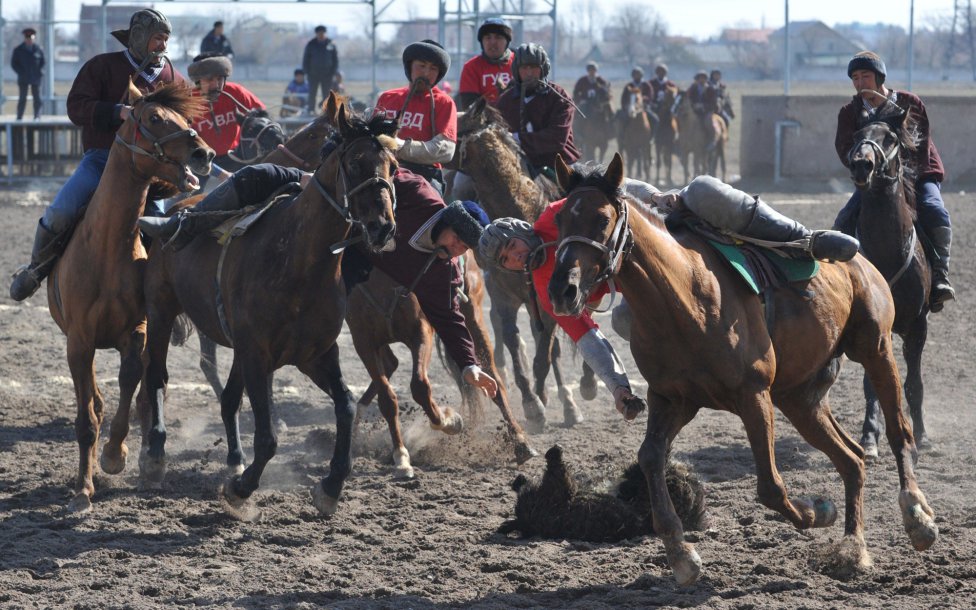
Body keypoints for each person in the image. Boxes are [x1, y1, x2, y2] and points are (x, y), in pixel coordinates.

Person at [137, 163, 500, 397]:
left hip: (353, 257)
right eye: (459, 242)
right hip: (335, 199)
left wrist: (469, 364)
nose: (457, 252)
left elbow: (449, 318)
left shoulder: (438, 268)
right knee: (257, 177)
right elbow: (380, 173)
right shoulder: (418, 193)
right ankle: (181, 224)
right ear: (448, 224)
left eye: (464, 249)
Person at [9, 8, 185, 302]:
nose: (163, 46)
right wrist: (117, 112)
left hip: (150, 171)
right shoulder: (102, 66)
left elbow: (184, 126)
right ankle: (36, 270)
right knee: (60, 212)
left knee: (166, 228)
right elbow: (76, 107)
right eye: (157, 38)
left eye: (166, 39)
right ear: (139, 38)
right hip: (101, 160)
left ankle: (167, 298)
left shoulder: (174, 79)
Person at [478, 200, 646, 421]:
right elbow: (586, 336)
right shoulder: (545, 289)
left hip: (645, 241)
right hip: (636, 287)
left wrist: (653, 197)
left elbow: (604, 193)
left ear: (522, 231)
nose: (515, 257)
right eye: (505, 260)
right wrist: (618, 388)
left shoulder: (551, 217)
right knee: (622, 320)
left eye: (512, 246)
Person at [833, 50, 955, 311]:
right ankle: (842, 284)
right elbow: (844, 148)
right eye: (854, 77)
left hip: (918, 173)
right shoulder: (849, 112)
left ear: (879, 77)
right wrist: (861, 168)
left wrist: (902, 179)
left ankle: (940, 276)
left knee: (935, 210)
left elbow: (920, 146)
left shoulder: (909, 103)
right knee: (843, 220)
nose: (859, 82)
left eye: (865, 75)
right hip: (874, 182)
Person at [372, 39, 456, 193]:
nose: (426, 73)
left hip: (424, 176)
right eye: (421, 66)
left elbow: (445, 150)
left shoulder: (444, 102)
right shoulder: (388, 97)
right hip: (381, 170)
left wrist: (400, 146)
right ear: (409, 66)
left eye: (433, 68)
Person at [494, 43, 580, 178]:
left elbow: (556, 139)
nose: (529, 73)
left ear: (543, 69)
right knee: (463, 187)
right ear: (517, 70)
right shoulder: (505, 101)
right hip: (515, 166)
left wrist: (517, 138)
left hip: (559, 166)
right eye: (524, 68)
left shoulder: (559, 97)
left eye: (534, 68)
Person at [186, 52, 267, 188]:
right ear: (198, 81)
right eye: (210, 79)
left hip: (234, 156)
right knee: (185, 198)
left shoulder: (235, 92)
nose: (216, 85)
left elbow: (263, 118)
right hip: (199, 160)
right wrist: (221, 174)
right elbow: (187, 148)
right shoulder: (188, 101)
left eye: (220, 79)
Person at [457, 17, 514, 110]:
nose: (492, 42)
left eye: (498, 37)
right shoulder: (471, 67)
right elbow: (470, 106)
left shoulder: (519, 63)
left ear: (507, 41)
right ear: (482, 42)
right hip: (484, 122)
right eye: (488, 37)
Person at [302, 25, 339, 114]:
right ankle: (311, 110)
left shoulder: (331, 44)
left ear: (325, 33)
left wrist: (333, 72)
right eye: (319, 33)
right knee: (312, 93)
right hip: (313, 74)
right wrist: (306, 71)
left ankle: (326, 110)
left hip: (327, 74)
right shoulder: (311, 44)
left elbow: (335, 59)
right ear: (316, 34)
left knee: (326, 93)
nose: (321, 35)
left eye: (322, 33)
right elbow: (306, 59)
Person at [11, 28, 45, 121]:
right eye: (27, 38)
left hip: (36, 77)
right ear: (25, 38)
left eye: (31, 38)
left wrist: (39, 72)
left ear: (34, 38)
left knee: (37, 98)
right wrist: (21, 72)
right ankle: (19, 116)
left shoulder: (38, 49)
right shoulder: (18, 50)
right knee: (22, 98)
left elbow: (43, 62)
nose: (29, 40)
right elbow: (14, 64)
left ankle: (37, 116)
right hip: (23, 78)